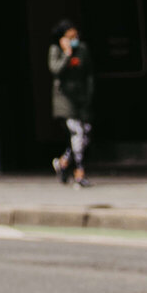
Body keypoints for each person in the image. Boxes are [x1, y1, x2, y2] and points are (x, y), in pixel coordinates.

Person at [48, 20, 94, 186]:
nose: (74, 39)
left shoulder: (82, 50)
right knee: (77, 133)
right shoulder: (56, 50)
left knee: (85, 135)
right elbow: (55, 70)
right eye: (70, 37)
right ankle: (79, 174)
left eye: (75, 36)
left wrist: (89, 94)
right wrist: (67, 54)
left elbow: (88, 73)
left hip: (81, 98)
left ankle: (63, 163)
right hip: (64, 100)